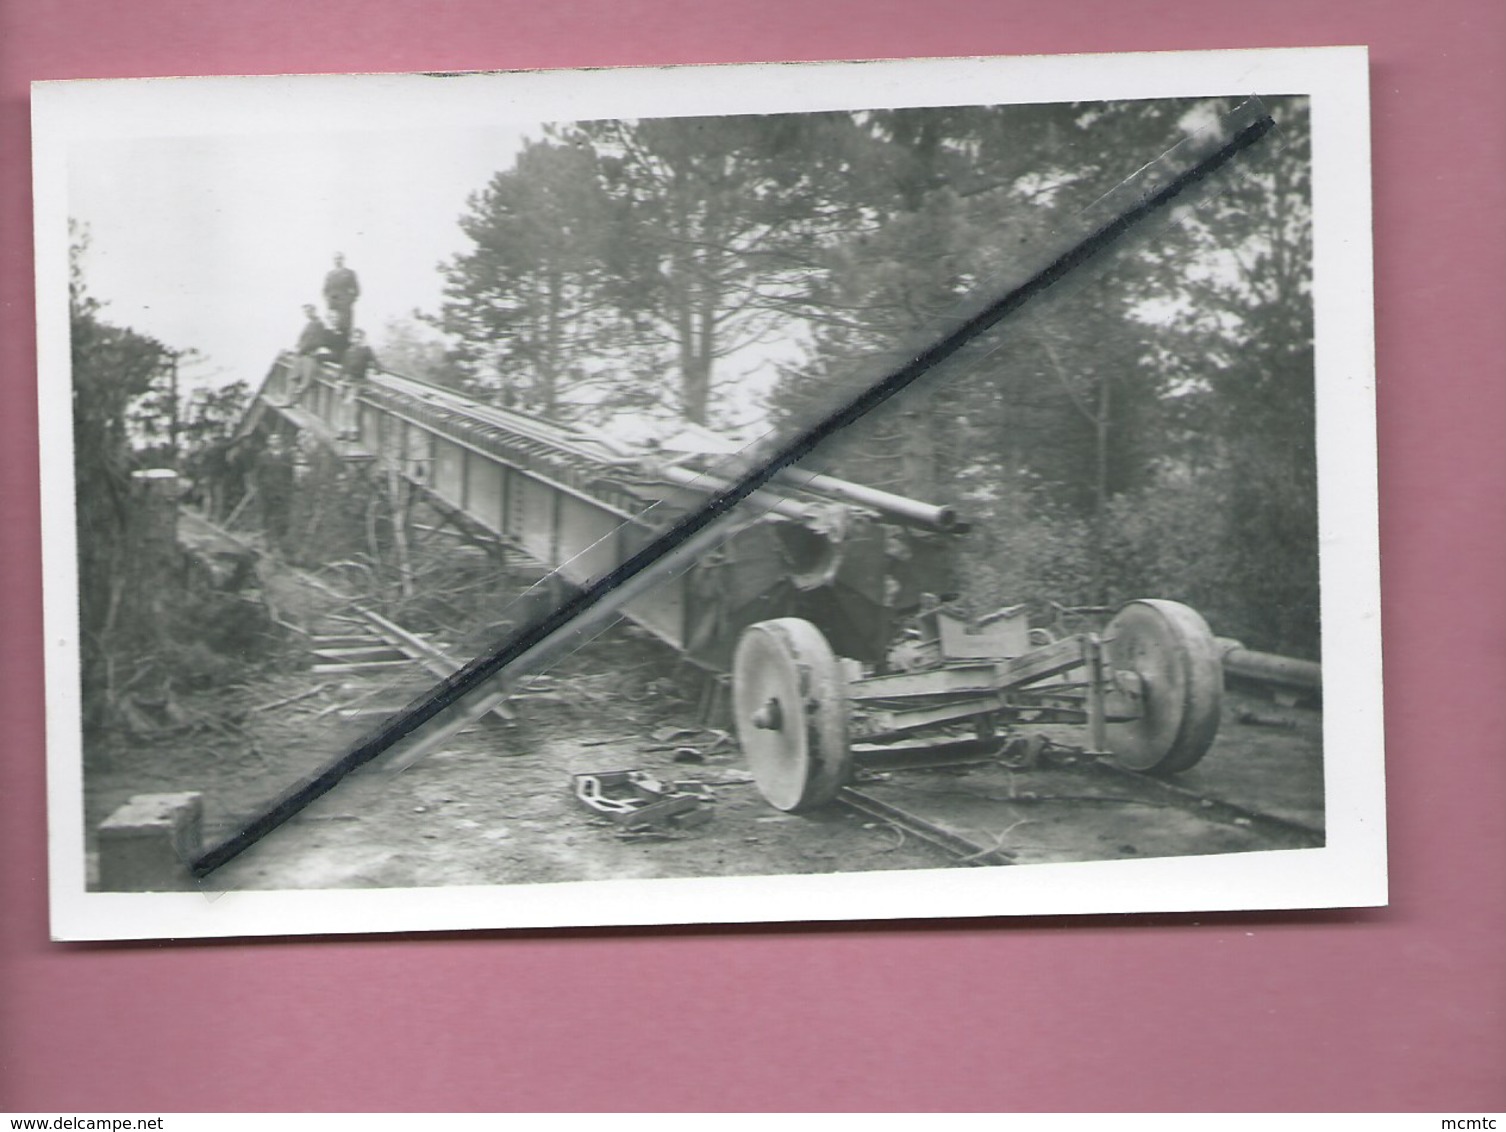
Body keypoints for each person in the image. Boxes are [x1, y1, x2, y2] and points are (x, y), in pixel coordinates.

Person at [337, 328, 379, 440]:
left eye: (359, 337)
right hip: (346, 380)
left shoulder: (366, 350)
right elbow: (343, 368)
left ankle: (353, 430)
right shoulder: (348, 352)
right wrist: (339, 380)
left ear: (363, 339)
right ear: (351, 339)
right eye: (355, 337)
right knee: (342, 404)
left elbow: (376, 363)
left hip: (358, 381)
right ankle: (342, 429)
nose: (357, 340)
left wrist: (377, 369)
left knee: (350, 402)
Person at [292, 304, 334, 404]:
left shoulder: (319, 324)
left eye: (309, 311)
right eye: (305, 312)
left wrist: (305, 349)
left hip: (310, 354)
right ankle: (294, 398)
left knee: (307, 380)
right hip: (303, 353)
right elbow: (302, 338)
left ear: (314, 311)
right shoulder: (309, 324)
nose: (307, 314)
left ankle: (297, 400)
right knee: (296, 376)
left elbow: (318, 341)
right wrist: (298, 347)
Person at [323, 253, 361, 346]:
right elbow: (325, 290)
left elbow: (357, 290)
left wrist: (349, 300)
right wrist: (329, 301)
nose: (337, 261)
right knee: (333, 328)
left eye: (339, 258)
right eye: (335, 259)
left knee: (346, 328)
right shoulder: (330, 275)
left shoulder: (349, 273)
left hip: (345, 306)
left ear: (343, 260)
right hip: (333, 306)